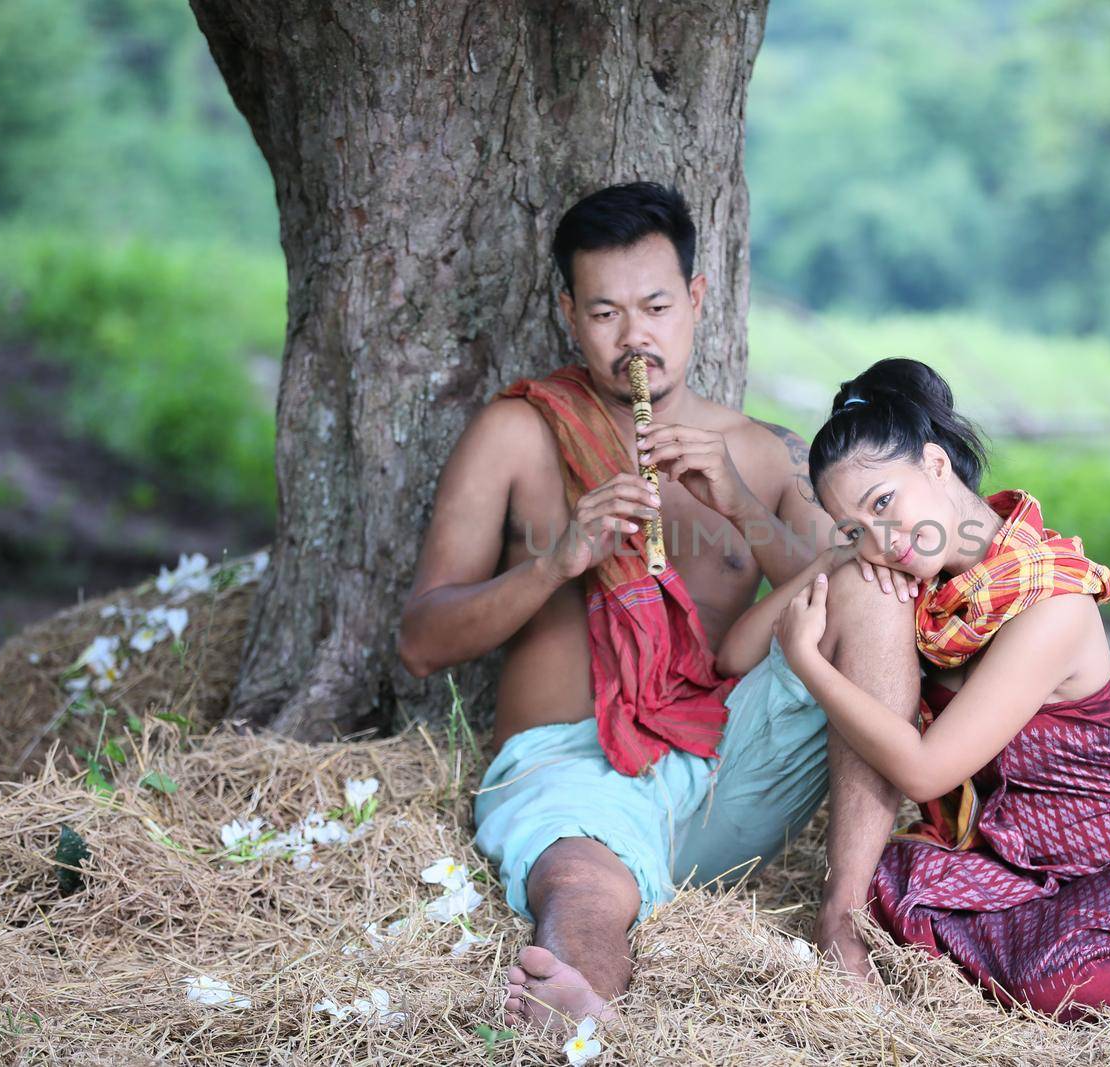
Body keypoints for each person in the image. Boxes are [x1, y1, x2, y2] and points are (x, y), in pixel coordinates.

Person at [395, 183, 922, 1031]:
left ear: (698, 299)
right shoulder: (519, 431)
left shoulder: (762, 450)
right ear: (569, 312)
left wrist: (743, 505)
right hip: (574, 770)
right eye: (605, 312)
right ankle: (580, 1011)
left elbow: (858, 573)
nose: (634, 336)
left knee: (874, 592)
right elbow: (420, 641)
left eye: (656, 305)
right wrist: (558, 559)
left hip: (722, 770)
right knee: (583, 885)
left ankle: (843, 917)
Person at [735, 357, 1110, 1017]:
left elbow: (925, 773)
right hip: (1029, 867)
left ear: (935, 465)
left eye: (884, 504)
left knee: (1048, 979)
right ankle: (1056, 955)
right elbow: (733, 650)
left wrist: (812, 665)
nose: (881, 540)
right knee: (886, 884)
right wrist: (832, 556)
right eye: (856, 528)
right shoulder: (915, 580)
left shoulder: (1054, 602)